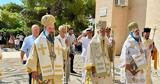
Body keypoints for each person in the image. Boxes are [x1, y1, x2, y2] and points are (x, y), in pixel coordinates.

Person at [25, 14, 64, 84]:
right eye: (49, 28)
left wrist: (66, 49)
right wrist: (33, 70)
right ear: (45, 29)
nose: (52, 30)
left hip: (55, 72)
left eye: (53, 28)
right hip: (42, 72)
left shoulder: (57, 41)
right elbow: (33, 56)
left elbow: (61, 54)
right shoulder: (38, 42)